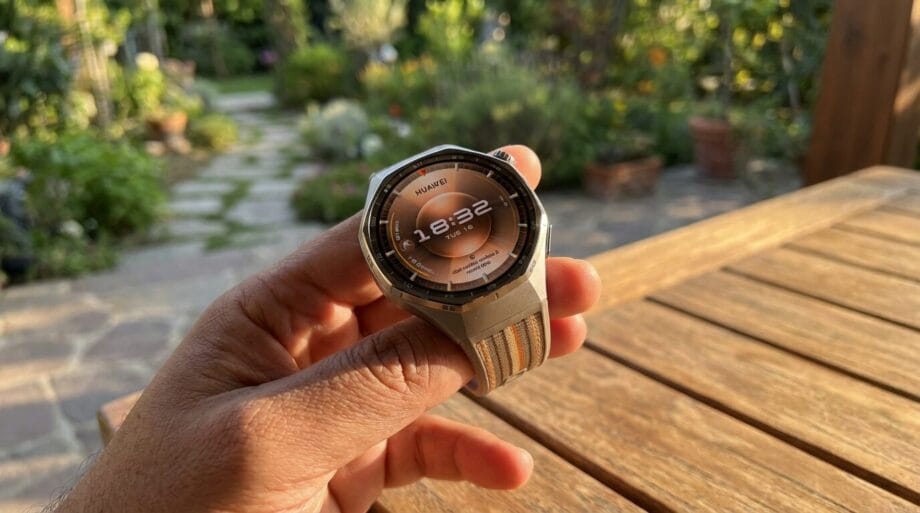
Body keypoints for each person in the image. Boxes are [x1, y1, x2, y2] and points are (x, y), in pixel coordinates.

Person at [53, 146, 601, 513]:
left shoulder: (483, 216)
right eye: (442, 220)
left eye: (458, 218)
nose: (451, 222)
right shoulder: (405, 267)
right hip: (457, 297)